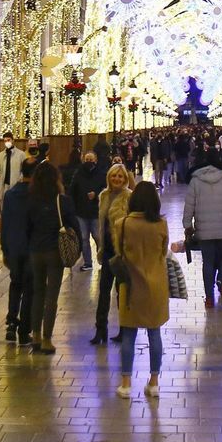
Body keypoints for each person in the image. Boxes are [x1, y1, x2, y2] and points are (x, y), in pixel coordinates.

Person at [112, 181, 171, 399]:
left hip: (130, 285)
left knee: (129, 334)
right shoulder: (161, 224)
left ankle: (126, 384)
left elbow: (118, 251)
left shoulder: (122, 224)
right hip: (156, 285)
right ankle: (154, 382)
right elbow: (163, 252)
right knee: (154, 333)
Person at [22, 162, 74, 352]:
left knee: (38, 292)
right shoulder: (62, 201)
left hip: (36, 251)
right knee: (51, 296)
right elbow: (73, 224)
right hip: (54, 252)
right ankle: (46, 339)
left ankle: (35, 335)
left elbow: (26, 227)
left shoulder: (31, 201)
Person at [183, 148, 222, 307]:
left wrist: (187, 225)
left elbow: (189, 205)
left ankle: (209, 298)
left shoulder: (196, 180)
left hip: (204, 230)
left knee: (208, 262)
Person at [92, 163, 133, 345]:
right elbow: (102, 223)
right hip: (107, 249)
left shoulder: (129, 197)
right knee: (103, 291)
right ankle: (100, 329)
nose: (117, 179)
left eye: (120, 176)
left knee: (121, 292)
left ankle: (124, 328)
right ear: (109, 177)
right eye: (114, 176)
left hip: (122, 252)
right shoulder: (104, 196)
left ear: (125, 179)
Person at [0, 158, 36, 343]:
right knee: (29, 288)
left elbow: (5, 222)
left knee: (15, 285)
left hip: (13, 246)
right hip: (31, 248)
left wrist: (4, 247)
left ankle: (11, 323)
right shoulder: (37, 195)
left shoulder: (10, 194)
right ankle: (24, 330)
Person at [70, 151, 104, 271]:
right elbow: (72, 191)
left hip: (95, 212)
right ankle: (88, 262)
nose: (89, 162)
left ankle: (102, 260)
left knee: (98, 237)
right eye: (87, 160)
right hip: (81, 212)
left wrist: (96, 194)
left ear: (96, 160)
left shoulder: (101, 174)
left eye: (91, 160)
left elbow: (105, 189)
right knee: (84, 238)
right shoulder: (78, 174)